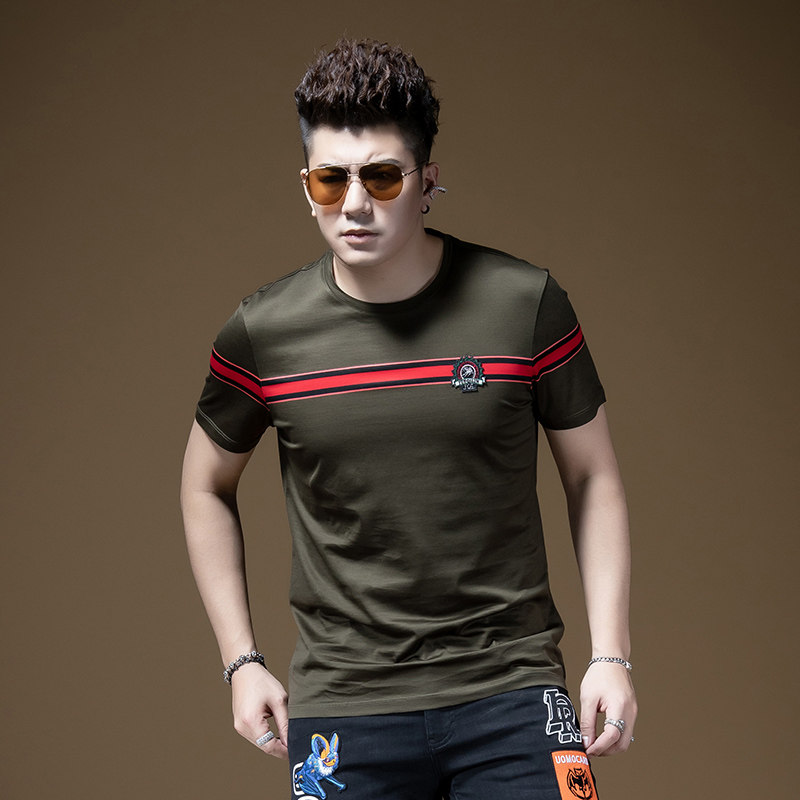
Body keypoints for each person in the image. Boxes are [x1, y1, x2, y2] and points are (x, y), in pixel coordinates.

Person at [181, 38, 637, 800]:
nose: (354, 204)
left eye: (382, 177)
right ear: (307, 188)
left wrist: (611, 655)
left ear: (427, 182)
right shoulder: (263, 332)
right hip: (344, 709)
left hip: (512, 689)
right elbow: (203, 484)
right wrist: (241, 661)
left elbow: (593, 478)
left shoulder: (524, 303)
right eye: (330, 179)